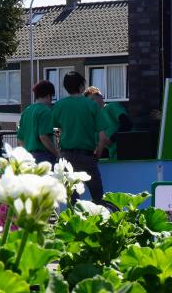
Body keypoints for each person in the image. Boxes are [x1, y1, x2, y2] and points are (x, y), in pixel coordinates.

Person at [52, 71, 108, 203]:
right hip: (87, 155)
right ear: (82, 86)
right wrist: (97, 155)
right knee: (98, 197)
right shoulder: (92, 105)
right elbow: (103, 137)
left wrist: (59, 153)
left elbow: (54, 132)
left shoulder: (59, 105)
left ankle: (74, 221)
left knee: (72, 199)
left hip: (66, 156)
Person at [17, 80, 59, 164]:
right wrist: (57, 154)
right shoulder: (46, 111)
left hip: (29, 157)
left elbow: (20, 139)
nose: (51, 100)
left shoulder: (26, 111)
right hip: (44, 157)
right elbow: (43, 137)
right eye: (52, 97)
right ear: (48, 95)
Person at [85, 86, 132, 159]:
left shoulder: (112, 107)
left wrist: (111, 139)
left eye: (93, 99)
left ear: (100, 96)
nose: (91, 104)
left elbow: (127, 124)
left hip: (127, 153)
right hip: (112, 158)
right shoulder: (94, 119)